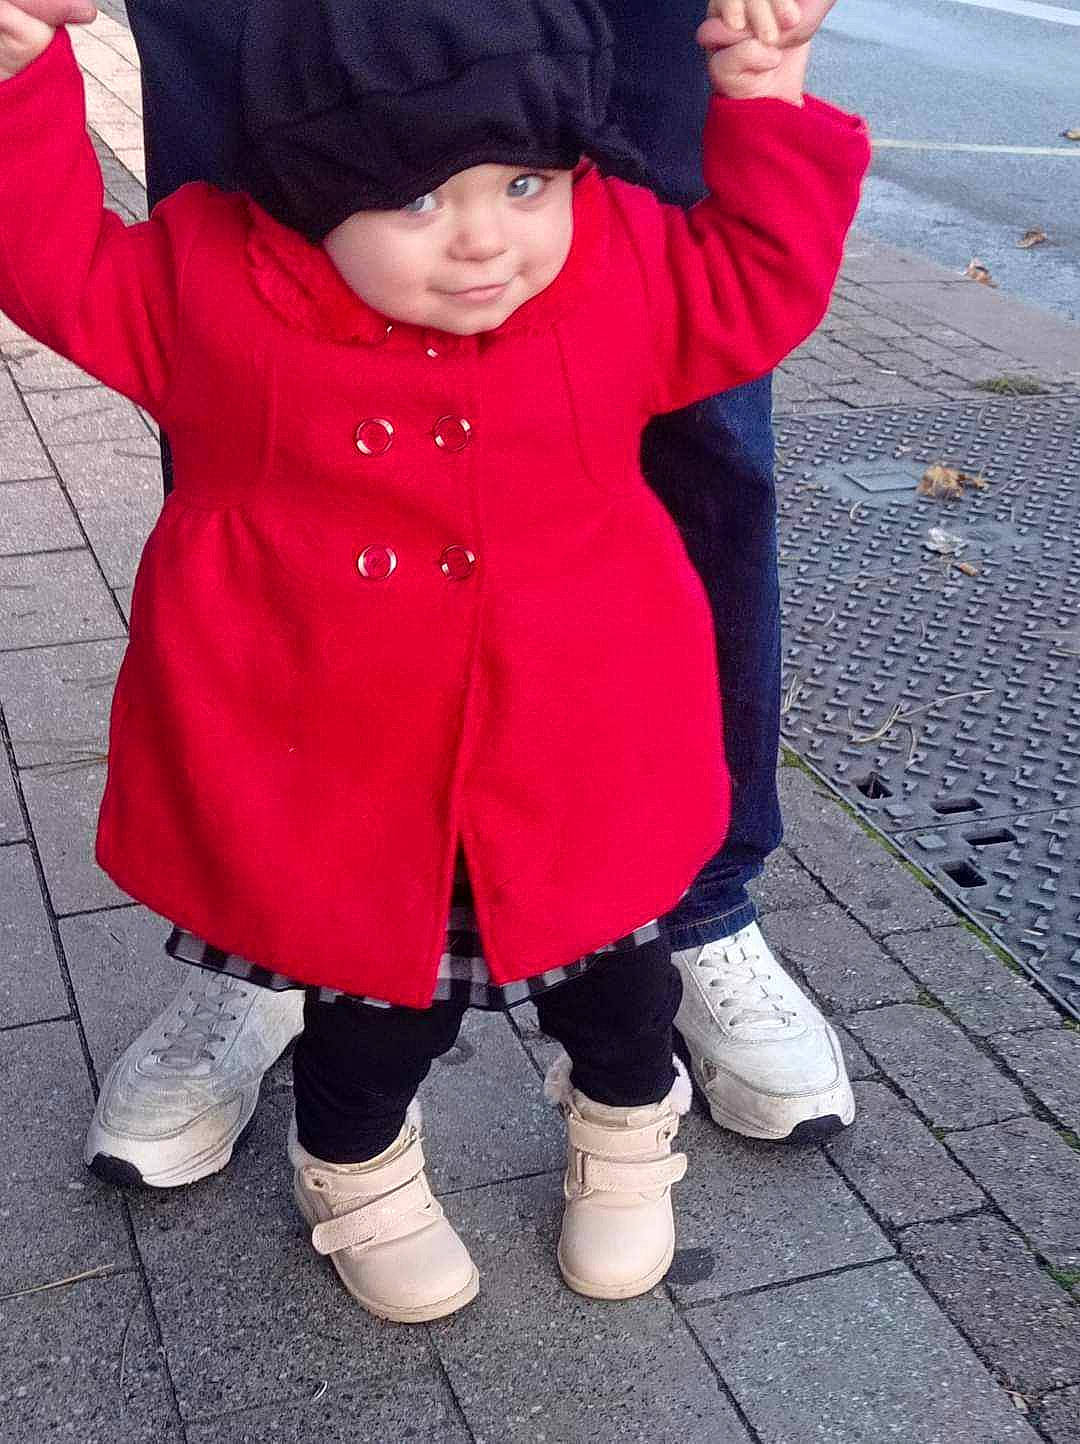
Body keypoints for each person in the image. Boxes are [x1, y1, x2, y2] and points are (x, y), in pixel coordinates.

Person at [0, 0, 866, 1317]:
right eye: (414, 199)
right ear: (301, 191)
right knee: (368, 1017)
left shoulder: (612, 257)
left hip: (580, 760)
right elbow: (53, 258)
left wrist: (766, 93)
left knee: (626, 995)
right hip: (341, 786)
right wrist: (20, 80)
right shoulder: (210, 283)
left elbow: (757, 280)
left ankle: (629, 1142)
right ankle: (357, 1174)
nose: (483, 240)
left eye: (526, 182)